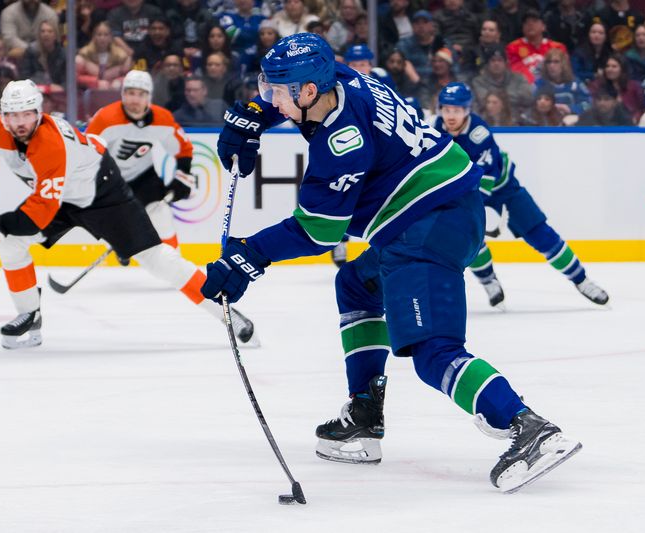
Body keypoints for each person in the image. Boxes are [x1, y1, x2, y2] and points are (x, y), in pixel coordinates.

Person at [204, 33, 582, 493]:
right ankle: (365, 414)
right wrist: (256, 115)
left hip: (429, 224)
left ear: (307, 92)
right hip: (440, 206)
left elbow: (320, 230)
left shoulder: (341, 142)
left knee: (432, 352)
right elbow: (296, 99)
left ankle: (530, 428)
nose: (272, 98)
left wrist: (248, 256)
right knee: (356, 284)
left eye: (277, 92)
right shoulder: (340, 79)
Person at [0, 79, 258, 350]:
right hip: (61, 195)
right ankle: (30, 316)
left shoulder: (49, 144)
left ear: (39, 113)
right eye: (13, 115)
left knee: (157, 259)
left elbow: (38, 214)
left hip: (102, 192)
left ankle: (226, 311)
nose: (20, 122)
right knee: (10, 243)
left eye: (27, 114)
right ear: (3, 116)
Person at [432, 82, 609, 309]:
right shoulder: (435, 129)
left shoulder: (479, 134)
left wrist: (480, 209)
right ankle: (489, 282)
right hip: (466, 193)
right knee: (469, 238)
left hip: (505, 191)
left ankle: (582, 280)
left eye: (456, 110)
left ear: (467, 110)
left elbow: (486, 178)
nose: (450, 115)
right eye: (446, 109)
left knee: (540, 234)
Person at [86, 70, 196, 254]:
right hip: (112, 181)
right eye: (130, 93)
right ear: (123, 94)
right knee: (113, 224)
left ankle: (175, 262)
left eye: (141, 94)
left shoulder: (163, 119)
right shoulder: (105, 119)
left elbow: (183, 149)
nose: (135, 100)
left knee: (161, 215)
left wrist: (182, 177)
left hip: (145, 177)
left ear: (149, 97)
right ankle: (122, 244)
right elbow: (87, 155)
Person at [506, 10, 567, 84]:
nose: (530, 24)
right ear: (522, 28)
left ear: (543, 27)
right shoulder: (513, 47)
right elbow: (513, 73)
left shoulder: (557, 48)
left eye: (535, 21)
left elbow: (565, 73)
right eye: (526, 22)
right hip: (524, 89)